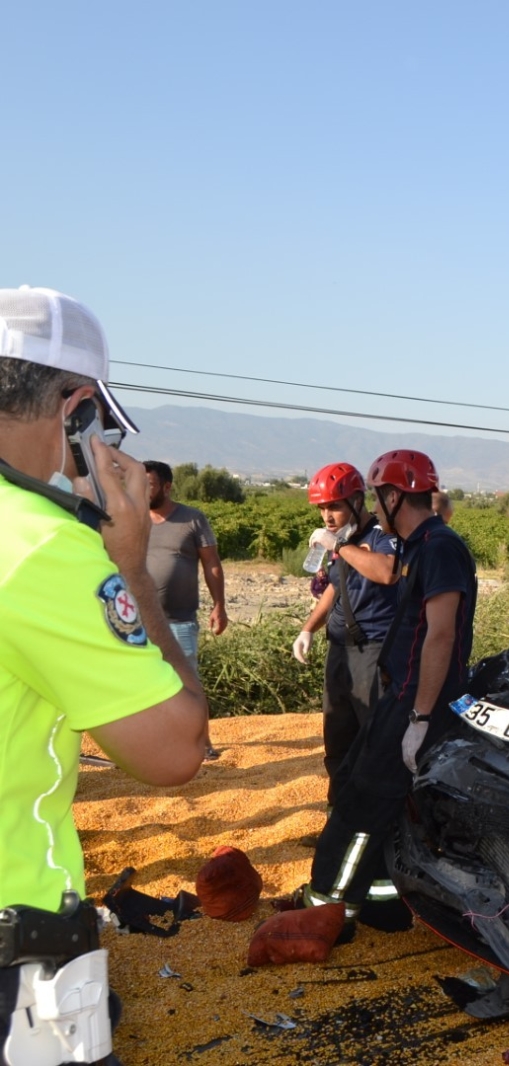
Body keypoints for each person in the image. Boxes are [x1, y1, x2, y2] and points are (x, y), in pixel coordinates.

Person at [0, 286, 209, 1060]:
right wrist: (129, 569)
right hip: (16, 940)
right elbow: (176, 751)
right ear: (76, 410)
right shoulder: (42, 546)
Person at [302, 449, 476, 925]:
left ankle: (329, 906)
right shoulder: (419, 545)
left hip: (415, 699)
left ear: (396, 495)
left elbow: (440, 634)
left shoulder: (438, 547)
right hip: (399, 690)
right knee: (363, 786)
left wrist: (419, 719)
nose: (376, 512)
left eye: (379, 501)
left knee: (365, 802)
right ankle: (383, 904)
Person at [291, 462, 400, 799]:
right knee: (337, 741)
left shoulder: (381, 536)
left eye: (335, 505)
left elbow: (387, 572)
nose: (327, 515)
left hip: (373, 650)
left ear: (357, 500)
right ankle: (339, 820)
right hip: (339, 650)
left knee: (374, 742)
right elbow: (336, 587)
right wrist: (309, 628)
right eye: (322, 507)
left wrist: (338, 547)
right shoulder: (347, 539)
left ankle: (379, 831)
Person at [143, 459, 227, 758]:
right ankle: (153, 745)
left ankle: (202, 743)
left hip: (179, 621)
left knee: (187, 683)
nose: (142, 490)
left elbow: (212, 565)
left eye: (149, 484)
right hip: (139, 624)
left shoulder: (193, 519)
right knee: (144, 684)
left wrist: (219, 605)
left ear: (167, 487)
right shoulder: (133, 519)